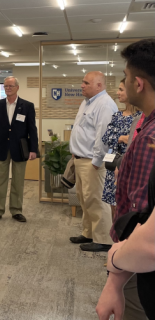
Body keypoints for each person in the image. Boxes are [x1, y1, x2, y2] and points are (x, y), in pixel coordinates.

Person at [97, 38, 155, 320]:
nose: (125, 84)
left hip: (139, 264)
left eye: (127, 78)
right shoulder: (146, 125)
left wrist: (115, 267)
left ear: (139, 83)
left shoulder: (150, 138)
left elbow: (139, 214)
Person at [68, 71, 118, 252]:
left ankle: (104, 239)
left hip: (93, 162)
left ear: (99, 85)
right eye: (82, 82)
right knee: (85, 198)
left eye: (86, 83)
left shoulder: (104, 105)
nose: (82, 85)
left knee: (96, 199)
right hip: (82, 159)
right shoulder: (87, 102)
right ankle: (89, 233)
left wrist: (97, 161)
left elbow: (103, 136)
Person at [0, 76, 38, 223]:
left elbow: (32, 129)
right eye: (5, 86)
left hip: (20, 148)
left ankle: (16, 210)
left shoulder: (27, 106)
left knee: (18, 180)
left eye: (10, 86)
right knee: (0, 180)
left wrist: (33, 149)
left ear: (17, 87)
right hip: (1, 147)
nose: (7, 88)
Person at [101, 79, 140, 216]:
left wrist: (117, 138)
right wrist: (121, 138)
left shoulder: (141, 117)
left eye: (121, 90)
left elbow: (137, 141)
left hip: (130, 166)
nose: (118, 93)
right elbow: (105, 137)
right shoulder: (117, 115)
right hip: (113, 164)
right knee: (113, 205)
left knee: (127, 206)